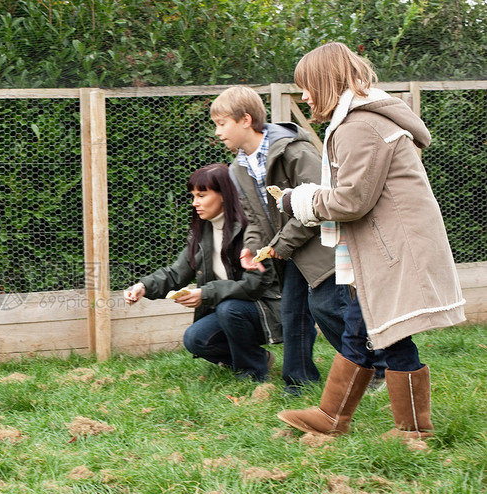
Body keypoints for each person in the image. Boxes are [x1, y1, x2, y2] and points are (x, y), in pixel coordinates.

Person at [275, 42, 466, 439]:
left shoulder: (359, 126)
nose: (305, 96)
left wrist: (300, 199)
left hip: (393, 248)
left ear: (326, 82)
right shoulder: (362, 120)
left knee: (383, 332)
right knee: (363, 330)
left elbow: (351, 199)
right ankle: (339, 418)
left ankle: (404, 429)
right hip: (388, 246)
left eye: (307, 87)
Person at [210, 85, 384, 396]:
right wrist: (253, 248)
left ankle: (380, 367)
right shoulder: (238, 169)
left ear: (245, 120)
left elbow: (320, 200)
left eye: (222, 123)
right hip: (287, 250)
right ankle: (299, 380)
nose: (217, 131)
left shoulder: (293, 150)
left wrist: (281, 244)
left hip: (321, 243)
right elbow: (252, 217)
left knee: (328, 308)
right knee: (293, 314)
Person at [123, 163, 281, 381]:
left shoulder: (250, 229)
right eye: (193, 195)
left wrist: (205, 294)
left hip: (267, 308)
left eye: (202, 195)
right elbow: (177, 272)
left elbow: (256, 284)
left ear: (224, 195)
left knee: (228, 309)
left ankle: (253, 374)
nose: (195, 202)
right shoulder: (204, 229)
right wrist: (143, 286)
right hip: (231, 309)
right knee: (196, 339)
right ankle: (260, 359)